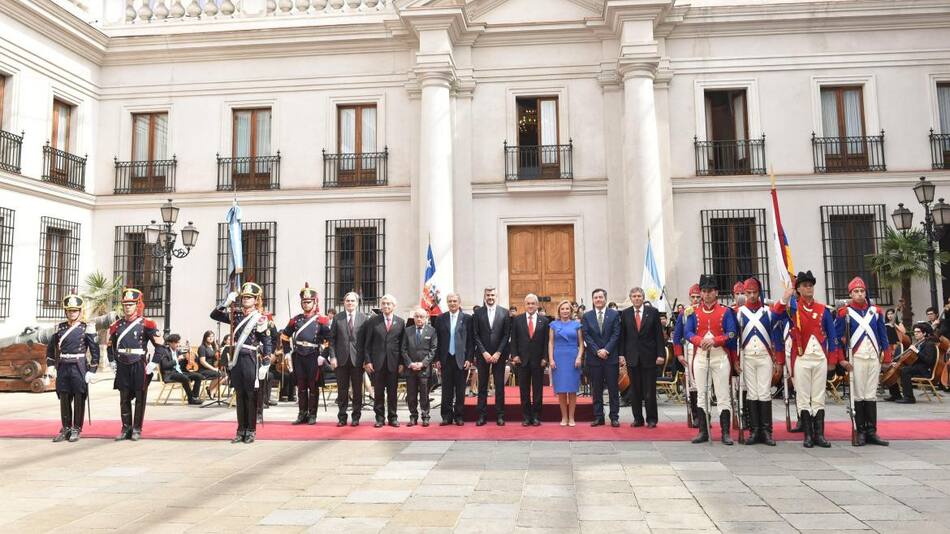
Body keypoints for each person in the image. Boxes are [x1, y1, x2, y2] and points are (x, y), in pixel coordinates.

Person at [773, 271, 840, 448]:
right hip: (801, 358)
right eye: (804, 285)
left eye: (810, 285)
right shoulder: (792, 309)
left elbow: (832, 335)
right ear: (798, 289)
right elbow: (775, 316)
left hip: (819, 358)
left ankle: (820, 435)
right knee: (803, 396)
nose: (808, 288)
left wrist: (832, 359)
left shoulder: (823, 309)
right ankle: (808, 435)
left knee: (818, 396)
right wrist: (784, 298)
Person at [210, 282, 274, 444]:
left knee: (251, 395)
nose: (246, 299)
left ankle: (251, 430)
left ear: (256, 300)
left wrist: (266, 361)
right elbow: (214, 315)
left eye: (249, 297)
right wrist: (225, 303)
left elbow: (266, 341)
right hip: (236, 358)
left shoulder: (260, 318)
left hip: (250, 358)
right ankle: (240, 430)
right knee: (239, 394)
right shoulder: (236, 314)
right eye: (244, 297)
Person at [836, 277, 891, 446]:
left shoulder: (875, 311)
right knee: (859, 395)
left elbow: (883, 335)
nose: (860, 294)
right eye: (856, 291)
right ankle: (860, 431)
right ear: (850, 294)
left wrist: (887, 357)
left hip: (873, 356)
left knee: (871, 394)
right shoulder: (845, 313)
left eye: (862, 291)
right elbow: (837, 338)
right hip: (857, 358)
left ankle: (871, 431)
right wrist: (841, 359)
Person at [685, 276, 739, 445]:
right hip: (700, 357)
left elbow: (732, 333)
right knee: (702, 394)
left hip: (720, 356)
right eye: (704, 291)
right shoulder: (693, 312)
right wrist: (698, 341)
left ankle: (725, 433)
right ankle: (703, 431)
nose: (707, 294)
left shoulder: (726, 311)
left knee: (723, 395)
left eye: (710, 291)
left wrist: (716, 340)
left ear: (716, 292)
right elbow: (687, 332)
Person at [108, 287, 163, 442]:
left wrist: (154, 362)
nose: (127, 307)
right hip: (122, 364)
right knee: (124, 398)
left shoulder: (147, 324)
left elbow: (160, 346)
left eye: (131, 304)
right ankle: (125, 428)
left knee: (140, 398)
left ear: (138, 305)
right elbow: (110, 346)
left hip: (139, 363)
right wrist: (112, 361)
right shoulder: (116, 325)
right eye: (125, 304)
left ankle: (137, 429)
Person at [47, 292, 100, 443]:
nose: (72, 313)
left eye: (75, 310)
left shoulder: (86, 328)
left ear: (80, 311)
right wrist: (51, 365)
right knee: (64, 397)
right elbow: (51, 349)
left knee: (78, 397)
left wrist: (92, 370)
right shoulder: (59, 328)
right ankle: (66, 428)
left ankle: (76, 428)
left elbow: (95, 351)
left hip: (79, 365)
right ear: (66, 312)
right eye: (70, 311)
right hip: (63, 365)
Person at [736, 278, 778, 446]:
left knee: (764, 392)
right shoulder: (739, 312)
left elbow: (776, 334)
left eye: (754, 292)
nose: (752, 296)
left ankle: (766, 431)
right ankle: (754, 431)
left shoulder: (767, 311)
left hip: (764, 356)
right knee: (752, 393)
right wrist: (735, 359)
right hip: (747, 356)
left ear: (759, 292)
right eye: (749, 293)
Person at [282, 283, 330, 425]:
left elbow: (330, 340)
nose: (306, 304)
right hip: (298, 355)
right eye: (304, 302)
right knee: (301, 386)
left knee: (313, 386)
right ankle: (302, 413)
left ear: (315, 302)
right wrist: (287, 352)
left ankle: (312, 414)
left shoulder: (322, 320)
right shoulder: (296, 320)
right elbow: (284, 336)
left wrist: (323, 355)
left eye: (309, 302)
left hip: (313, 355)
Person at [619, 287, 666, 428]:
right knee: (635, 391)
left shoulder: (653, 312)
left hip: (649, 357)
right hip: (632, 357)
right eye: (634, 296)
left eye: (639, 296)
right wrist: (621, 355)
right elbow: (623, 336)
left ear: (643, 297)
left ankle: (652, 419)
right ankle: (638, 419)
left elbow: (658, 335)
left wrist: (661, 354)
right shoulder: (625, 313)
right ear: (630, 298)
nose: (637, 298)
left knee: (649, 390)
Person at [359, 294, 405, 427]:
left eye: (388, 303)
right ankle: (379, 418)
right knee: (378, 393)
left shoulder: (400, 322)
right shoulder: (373, 321)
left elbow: (403, 345)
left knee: (392, 392)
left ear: (394, 306)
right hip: (377, 363)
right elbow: (367, 343)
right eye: (383, 303)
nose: (386, 306)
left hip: (393, 363)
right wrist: (368, 361)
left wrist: (402, 363)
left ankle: (393, 417)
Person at [581, 288, 621, 427]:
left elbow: (616, 334)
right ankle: (599, 417)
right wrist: (597, 350)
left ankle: (614, 417)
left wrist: (606, 350)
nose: (598, 300)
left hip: (611, 358)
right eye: (595, 297)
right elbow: (586, 335)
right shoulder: (587, 316)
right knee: (596, 389)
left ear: (605, 299)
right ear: (592, 300)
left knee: (613, 389)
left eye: (600, 297)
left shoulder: (614, 314)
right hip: (594, 358)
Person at [328, 292, 369, 426]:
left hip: (358, 360)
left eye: (352, 301)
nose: (350, 303)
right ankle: (342, 417)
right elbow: (332, 340)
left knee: (357, 390)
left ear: (357, 303)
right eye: (347, 301)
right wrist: (332, 357)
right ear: (344, 303)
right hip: (341, 360)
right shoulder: (337, 318)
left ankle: (356, 417)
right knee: (342, 390)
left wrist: (366, 360)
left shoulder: (364, 318)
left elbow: (367, 341)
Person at [472, 287, 510, 426]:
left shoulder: (504, 312)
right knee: (482, 386)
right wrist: (484, 352)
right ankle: (482, 415)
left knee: (499, 386)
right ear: (484, 296)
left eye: (492, 295)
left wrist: (498, 352)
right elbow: (475, 334)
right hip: (483, 355)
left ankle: (500, 415)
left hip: (499, 355)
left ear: (496, 296)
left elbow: (506, 334)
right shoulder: (478, 313)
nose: (490, 297)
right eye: (488, 295)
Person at [510, 294, 550, 426]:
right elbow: (513, 339)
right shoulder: (517, 320)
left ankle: (537, 416)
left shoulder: (544, 321)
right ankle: (526, 417)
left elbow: (546, 341)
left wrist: (545, 357)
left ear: (537, 305)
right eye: (528, 303)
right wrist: (514, 355)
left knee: (538, 390)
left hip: (539, 361)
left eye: (533, 303)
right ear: (525, 305)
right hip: (522, 361)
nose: (530, 306)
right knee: (524, 390)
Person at [435, 293, 474, 425]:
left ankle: (459, 416)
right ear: (447, 303)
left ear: (459, 302)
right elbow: (437, 340)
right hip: (445, 359)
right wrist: (437, 359)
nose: (452, 303)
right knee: (446, 389)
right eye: (450, 301)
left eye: (454, 301)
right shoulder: (440, 318)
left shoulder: (467, 319)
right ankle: (446, 416)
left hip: (461, 359)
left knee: (460, 389)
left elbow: (470, 341)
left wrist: (469, 358)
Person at [549, 299, 584, 426]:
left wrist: (579, 357)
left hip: (573, 358)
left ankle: (572, 417)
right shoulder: (553, 325)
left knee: (572, 390)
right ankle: (564, 417)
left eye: (567, 309)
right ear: (559, 311)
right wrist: (551, 359)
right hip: (558, 358)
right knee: (562, 390)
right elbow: (551, 343)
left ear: (571, 310)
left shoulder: (576, 324)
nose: (565, 311)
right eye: (562, 309)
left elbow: (581, 344)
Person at [402, 307, 438, 426]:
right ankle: (413, 416)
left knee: (424, 394)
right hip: (410, 368)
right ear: (413, 318)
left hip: (424, 369)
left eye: (421, 316)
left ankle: (425, 416)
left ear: (426, 318)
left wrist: (423, 363)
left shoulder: (431, 331)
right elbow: (403, 350)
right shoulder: (407, 331)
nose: (419, 319)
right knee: (411, 395)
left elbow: (433, 350)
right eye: (416, 316)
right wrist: (410, 363)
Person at [673, 284, 702, 427]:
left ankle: (706, 414)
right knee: (693, 383)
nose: (695, 299)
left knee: (705, 384)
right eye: (693, 297)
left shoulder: (705, 310)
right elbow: (677, 335)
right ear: (689, 297)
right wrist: (679, 354)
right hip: (690, 349)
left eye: (698, 297)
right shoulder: (684, 313)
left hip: (704, 348)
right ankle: (695, 415)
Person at [887, 322, 938, 403]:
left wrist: (917, 351)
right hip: (916, 367)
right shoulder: (918, 343)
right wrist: (897, 362)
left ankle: (909, 398)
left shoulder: (929, 344)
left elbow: (929, 361)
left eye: (918, 332)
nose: (915, 334)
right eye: (915, 332)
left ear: (924, 333)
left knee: (905, 370)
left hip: (924, 370)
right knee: (895, 368)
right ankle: (895, 395)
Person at [156, 334, 203, 405]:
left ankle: (195, 397)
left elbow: (184, 365)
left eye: (178, 342)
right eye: (176, 343)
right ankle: (191, 399)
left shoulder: (178, 352)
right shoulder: (165, 352)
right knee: (184, 378)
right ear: (170, 343)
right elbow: (165, 365)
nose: (178, 345)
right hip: (170, 374)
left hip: (179, 372)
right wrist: (177, 360)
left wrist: (189, 357)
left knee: (198, 376)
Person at [197, 330, 223, 396]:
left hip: (211, 369)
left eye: (212, 336)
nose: (211, 338)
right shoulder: (202, 347)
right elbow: (202, 361)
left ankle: (211, 390)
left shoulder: (213, 347)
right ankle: (211, 391)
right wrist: (213, 369)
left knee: (225, 375)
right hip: (203, 370)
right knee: (219, 375)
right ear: (205, 337)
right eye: (209, 336)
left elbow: (215, 361)